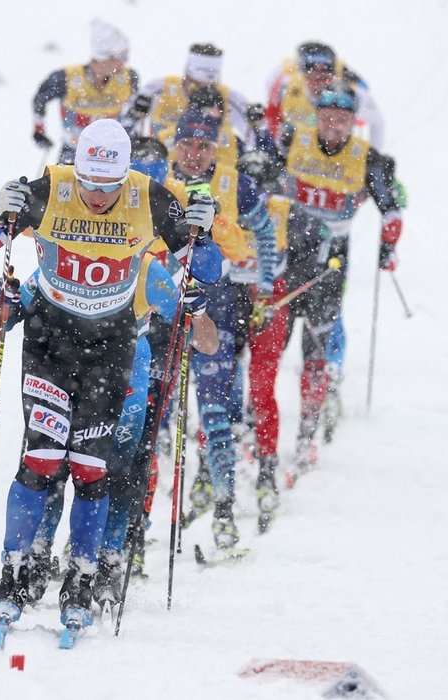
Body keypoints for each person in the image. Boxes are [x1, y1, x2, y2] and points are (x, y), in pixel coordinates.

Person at [0, 119, 222, 630]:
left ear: (125, 176)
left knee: (91, 470)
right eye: (89, 184)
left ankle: (81, 574)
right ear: (74, 171)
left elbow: (205, 270)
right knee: (40, 459)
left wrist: (201, 233)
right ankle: (14, 571)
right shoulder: (49, 190)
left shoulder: (149, 199)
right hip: (50, 343)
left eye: (109, 186)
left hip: (112, 348)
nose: (98, 197)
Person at [162, 108, 287, 541]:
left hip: (216, 310)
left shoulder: (236, 183)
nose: (194, 154)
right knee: (154, 412)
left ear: (216, 147)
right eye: (187, 145)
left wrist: (267, 289)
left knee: (215, 410)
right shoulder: (158, 181)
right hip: (164, 309)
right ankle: (135, 531)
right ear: (175, 145)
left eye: (203, 146)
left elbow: (266, 234)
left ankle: (225, 511)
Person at [272, 85, 405, 476]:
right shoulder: (292, 141)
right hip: (285, 257)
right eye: (327, 117)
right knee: (271, 347)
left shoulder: (366, 158)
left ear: (354, 122)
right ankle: (252, 432)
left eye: (343, 119)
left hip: (329, 265)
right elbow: (255, 178)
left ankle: (307, 436)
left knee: (315, 349)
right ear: (316, 116)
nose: (333, 126)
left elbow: (392, 208)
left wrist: (388, 247)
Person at [120, 43, 256, 168]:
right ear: (186, 75)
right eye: (194, 84)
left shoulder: (229, 99)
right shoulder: (160, 88)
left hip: (214, 173)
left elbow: (253, 141)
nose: (199, 92)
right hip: (163, 164)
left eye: (208, 87)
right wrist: (134, 114)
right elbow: (122, 129)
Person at [31, 20, 139, 165]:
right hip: (73, 150)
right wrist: (39, 130)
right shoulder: (66, 78)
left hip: (111, 153)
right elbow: (40, 99)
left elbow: (134, 111)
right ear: (104, 58)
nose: (124, 63)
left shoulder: (129, 78)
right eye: (122, 57)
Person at [265, 41, 387, 150]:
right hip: (296, 152)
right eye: (311, 68)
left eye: (326, 69)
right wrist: (279, 142)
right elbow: (272, 113)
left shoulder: (351, 95)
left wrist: (371, 157)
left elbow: (377, 123)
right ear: (301, 71)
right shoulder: (285, 85)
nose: (318, 75)